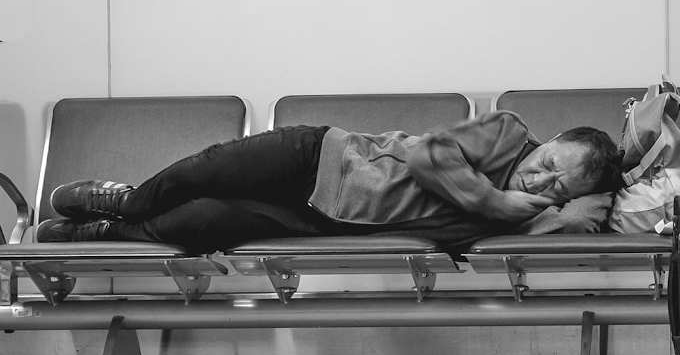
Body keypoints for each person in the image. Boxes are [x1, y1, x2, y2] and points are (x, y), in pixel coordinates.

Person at [35, 112, 623, 253]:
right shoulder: (507, 133)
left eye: (558, 185)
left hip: (318, 219)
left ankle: (101, 232)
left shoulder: (535, 215)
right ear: (547, 140)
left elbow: (586, 218)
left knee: (202, 223)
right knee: (196, 173)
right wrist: (493, 199)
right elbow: (431, 156)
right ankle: (124, 200)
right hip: (318, 158)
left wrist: (581, 194)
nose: (542, 177)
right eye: (550, 161)